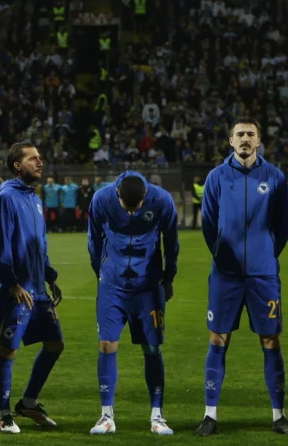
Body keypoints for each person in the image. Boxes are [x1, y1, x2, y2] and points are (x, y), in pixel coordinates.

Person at [195, 118, 288, 437]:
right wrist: (223, 254)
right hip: (225, 275)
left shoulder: (275, 177)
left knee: (271, 339)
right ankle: (210, 415)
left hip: (263, 274)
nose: (244, 139)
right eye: (239, 134)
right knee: (218, 339)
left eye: (250, 134)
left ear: (258, 141)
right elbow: (209, 225)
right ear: (230, 141)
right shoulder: (216, 177)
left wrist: (266, 253)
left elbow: (284, 224)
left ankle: (279, 416)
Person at [86, 171, 178, 436]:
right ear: (118, 195)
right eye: (127, 207)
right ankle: (106, 416)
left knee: (152, 347)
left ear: (146, 197)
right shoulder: (101, 199)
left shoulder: (162, 200)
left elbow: (171, 242)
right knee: (106, 344)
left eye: (137, 207)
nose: (132, 212)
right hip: (112, 286)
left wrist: (168, 278)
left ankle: (157, 416)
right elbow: (94, 239)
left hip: (148, 288)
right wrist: (100, 272)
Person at [0, 142, 64, 434]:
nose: (40, 162)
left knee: (55, 345)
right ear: (17, 165)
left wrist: (50, 276)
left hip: (38, 289)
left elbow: (40, 244)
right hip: (17, 290)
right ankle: (4, 413)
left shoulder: (34, 198)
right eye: (33, 159)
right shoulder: (6, 198)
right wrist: (11, 284)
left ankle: (29, 402)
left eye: (41, 158)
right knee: (9, 351)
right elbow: (1, 246)